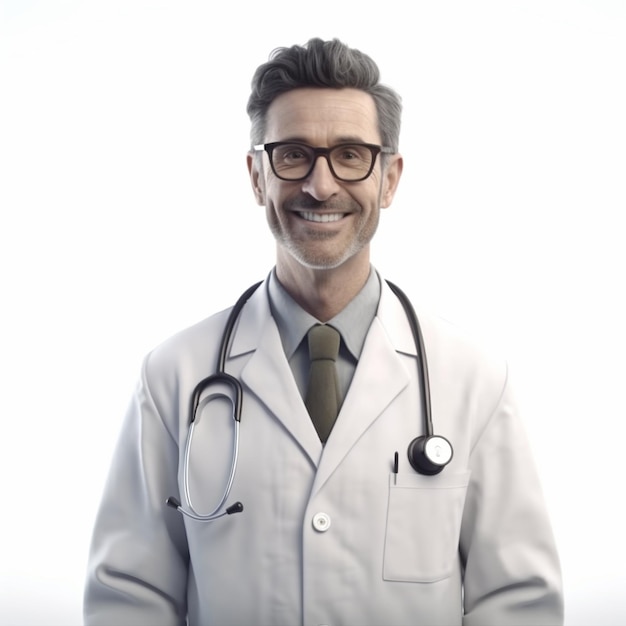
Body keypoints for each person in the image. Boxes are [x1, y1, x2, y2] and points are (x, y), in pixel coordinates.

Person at [83, 37, 564, 625]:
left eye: (351, 155)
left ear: (389, 179)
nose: (321, 184)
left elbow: (517, 603)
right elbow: (130, 598)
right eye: (292, 155)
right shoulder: (175, 376)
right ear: (257, 176)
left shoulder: (471, 378)